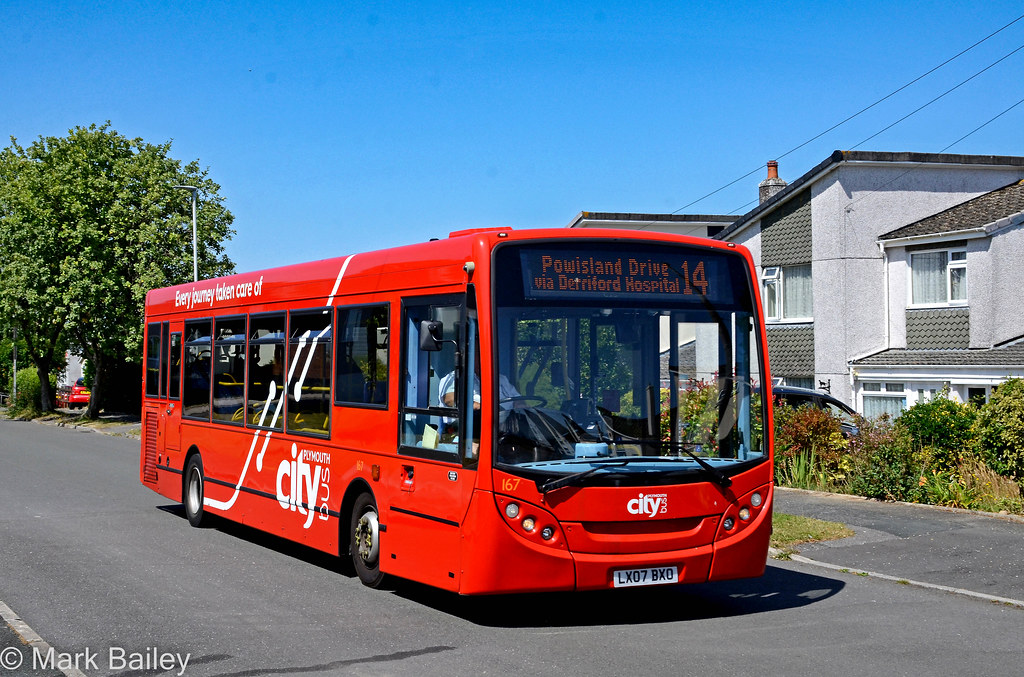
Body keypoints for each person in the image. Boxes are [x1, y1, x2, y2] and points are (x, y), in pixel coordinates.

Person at [438, 366, 521, 410]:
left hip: (506, 425)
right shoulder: (455, 377)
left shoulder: (500, 378)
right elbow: (448, 399)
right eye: (477, 352)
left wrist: (521, 405)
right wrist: (476, 405)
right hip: (469, 429)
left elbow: (518, 400)